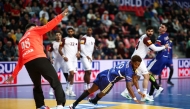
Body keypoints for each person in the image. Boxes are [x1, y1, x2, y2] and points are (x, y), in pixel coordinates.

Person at [6, 8, 69, 109]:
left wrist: (13, 75)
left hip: (28, 64)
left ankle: (40, 106)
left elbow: (20, 61)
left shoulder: (21, 40)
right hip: (39, 59)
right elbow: (49, 26)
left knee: (37, 86)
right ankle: (60, 105)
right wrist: (60, 16)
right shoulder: (35, 30)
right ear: (32, 27)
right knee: (55, 82)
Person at [69, 55, 145, 109]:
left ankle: (75, 104)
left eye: (138, 65)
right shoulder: (128, 71)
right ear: (132, 62)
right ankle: (94, 100)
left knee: (90, 90)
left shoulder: (130, 63)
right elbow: (128, 86)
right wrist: (135, 99)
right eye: (136, 64)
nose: (137, 66)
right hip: (108, 81)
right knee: (103, 93)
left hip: (104, 73)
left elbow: (134, 79)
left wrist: (138, 91)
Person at [121, 26, 168, 101]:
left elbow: (148, 48)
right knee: (146, 76)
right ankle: (144, 95)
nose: (150, 33)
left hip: (136, 58)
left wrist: (152, 47)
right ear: (146, 31)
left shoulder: (144, 37)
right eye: (149, 31)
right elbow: (155, 49)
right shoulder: (146, 38)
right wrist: (164, 47)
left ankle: (125, 92)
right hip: (137, 59)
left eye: (151, 31)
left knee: (138, 77)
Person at [147, 23, 170, 100]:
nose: (160, 27)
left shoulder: (161, 37)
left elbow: (155, 47)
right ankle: (150, 95)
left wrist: (148, 46)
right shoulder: (166, 36)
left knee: (146, 72)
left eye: (162, 27)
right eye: (160, 26)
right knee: (153, 76)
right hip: (165, 58)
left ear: (165, 29)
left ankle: (158, 87)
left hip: (159, 58)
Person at [59, 26, 80, 96]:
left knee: (72, 74)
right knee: (71, 73)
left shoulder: (77, 40)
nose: (70, 32)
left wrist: (78, 53)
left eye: (71, 31)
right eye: (69, 31)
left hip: (74, 59)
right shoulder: (64, 40)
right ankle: (68, 88)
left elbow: (79, 49)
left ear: (73, 32)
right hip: (68, 59)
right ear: (67, 32)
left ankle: (70, 90)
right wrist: (63, 56)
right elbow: (59, 49)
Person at [48, 31, 69, 96]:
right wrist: (51, 58)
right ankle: (51, 89)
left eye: (59, 35)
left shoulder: (64, 42)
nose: (58, 36)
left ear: (61, 36)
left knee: (66, 75)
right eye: (56, 35)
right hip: (56, 61)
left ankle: (67, 89)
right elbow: (49, 51)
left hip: (63, 61)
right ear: (55, 36)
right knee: (53, 75)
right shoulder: (53, 43)